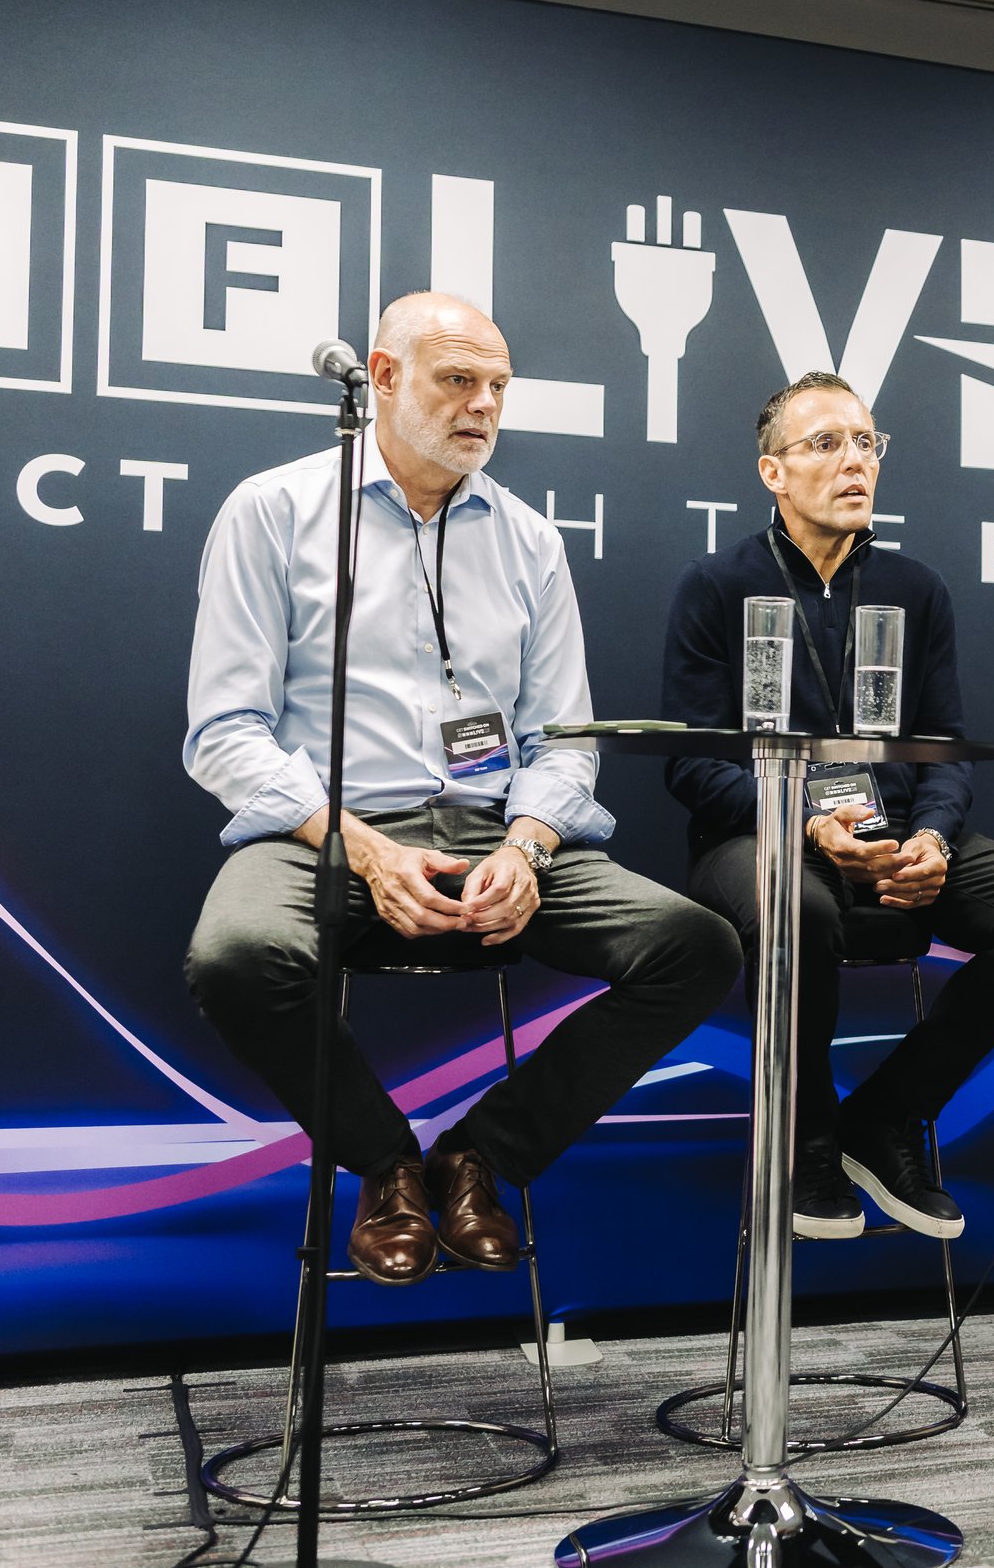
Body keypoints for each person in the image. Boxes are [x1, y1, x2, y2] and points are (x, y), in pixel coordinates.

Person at [182, 292, 740, 1287]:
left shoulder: (528, 538)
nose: (483, 406)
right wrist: (360, 843)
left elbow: (563, 741)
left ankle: (482, 1154)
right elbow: (224, 733)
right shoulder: (274, 510)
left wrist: (528, 846)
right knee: (235, 956)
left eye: (497, 386)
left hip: (495, 827)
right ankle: (387, 1161)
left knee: (694, 945)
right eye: (457, 380)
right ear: (384, 379)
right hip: (327, 827)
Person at [661, 370, 994, 1242]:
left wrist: (933, 835)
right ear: (772, 472)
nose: (853, 460)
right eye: (824, 443)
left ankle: (886, 1115)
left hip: (889, 833)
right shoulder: (716, 583)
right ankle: (807, 1141)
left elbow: (944, 743)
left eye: (866, 442)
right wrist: (806, 824)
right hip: (758, 837)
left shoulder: (916, 588)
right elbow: (690, 763)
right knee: (802, 903)